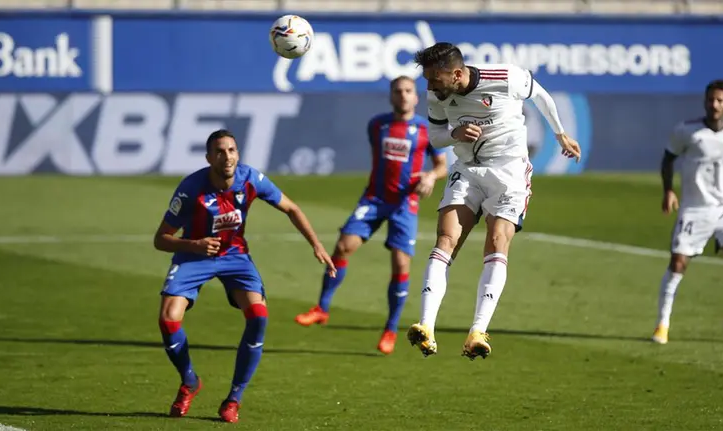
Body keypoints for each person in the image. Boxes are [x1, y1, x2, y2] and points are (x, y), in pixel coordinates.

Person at [405, 42, 582, 360]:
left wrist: (560, 134)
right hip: (468, 171)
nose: (429, 86)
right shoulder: (437, 97)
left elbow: (540, 95)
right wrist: (455, 134)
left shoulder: (505, 77)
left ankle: (477, 331)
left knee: (497, 240)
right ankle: (426, 326)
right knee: (446, 239)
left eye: (434, 78)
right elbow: (435, 137)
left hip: (509, 173)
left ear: (457, 73)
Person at [153, 129, 336, 423]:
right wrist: (193, 244)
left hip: (235, 256)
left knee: (259, 315)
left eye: (232, 150)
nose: (227, 157)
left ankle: (234, 399)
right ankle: (189, 382)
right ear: (209, 157)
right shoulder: (191, 188)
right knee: (168, 318)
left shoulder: (250, 178)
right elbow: (160, 239)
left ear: (238, 154)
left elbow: (291, 208)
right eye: (220, 151)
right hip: (193, 255)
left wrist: (317, 245)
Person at [294, 76, 448, 354]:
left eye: (408, 91)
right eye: (397, 91)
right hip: (375, 198)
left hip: (405, 203)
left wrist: (430, 176)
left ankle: (390, 329)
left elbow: (441, 165)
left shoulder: (427, 130)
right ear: (391, 96)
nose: (403, 95)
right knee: (343, 246)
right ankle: (322, 307)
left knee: (401, 264)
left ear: (416, 97)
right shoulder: (377, 125)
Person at [652, 79, 723, 344]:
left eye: (720, 101)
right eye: (711, 100)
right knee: (678, 265)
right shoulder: (687, 131)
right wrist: (668, 190)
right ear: (705, 101)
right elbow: (668, 159)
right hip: (695, 210)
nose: (714, 105)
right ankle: (662, 324)